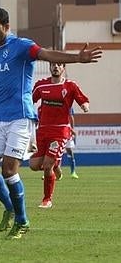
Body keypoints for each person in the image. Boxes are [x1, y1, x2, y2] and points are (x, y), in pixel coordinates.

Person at [0, 7, 101, 239]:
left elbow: (46, 54)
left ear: (6, 26)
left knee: (8, 170)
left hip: (20, 117)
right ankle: (9, 207)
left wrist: (77, 58)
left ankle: (22, 220)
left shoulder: (22, 46)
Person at [29, 63, 89, 208]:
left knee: (47, 165)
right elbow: (30, 100)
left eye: (59, 65)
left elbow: (83, 99)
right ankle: (56, 166)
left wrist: (84, 105)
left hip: (60, 131)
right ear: (50, 67)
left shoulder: (70, 86)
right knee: (34, 165)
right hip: (42, 130)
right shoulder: (41, 85)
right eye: (53, 64)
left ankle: (47, 199)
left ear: (63, 68)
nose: (55, 67)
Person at [64, 109, 79, 179]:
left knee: (69, 151)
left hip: (66, 130)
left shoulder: (68, 105)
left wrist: (72, 130)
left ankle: (73, 172)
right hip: (57, 130)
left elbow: (71, 117)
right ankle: (51, 172)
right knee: (54, 152)